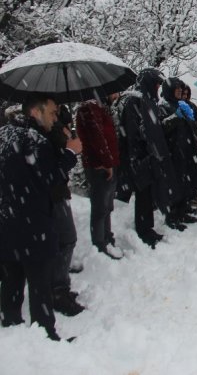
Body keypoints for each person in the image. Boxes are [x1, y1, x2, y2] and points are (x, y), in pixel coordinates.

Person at [0, 94, 81, 341]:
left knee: (12, 280)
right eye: (53, 112)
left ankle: (11, 326)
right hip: (33, 223)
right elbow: (50, 178)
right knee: (40, 283)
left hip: (7, 221)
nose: (55, 117)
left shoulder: (4, 136)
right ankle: (45, 336)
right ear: (35, 112)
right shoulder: (35, 140)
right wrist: (70, 153)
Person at [113, 68, 178, 248]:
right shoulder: (135, 101)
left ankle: (147, 227)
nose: (158, 86)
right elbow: (135, 132)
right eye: (156, 83)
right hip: (140, 157)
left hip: (148, 155)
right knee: (143, 194)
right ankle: (143, 230)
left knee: (148, 193)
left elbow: (151, 127)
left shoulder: (147, 100)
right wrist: (144, 149)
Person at [45, 104, 86, 316]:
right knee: (65, 239)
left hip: (59, 190)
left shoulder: (56, 123)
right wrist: (68, 147)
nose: (54, 115)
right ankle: (57, 290)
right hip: (53, 194)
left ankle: (61, 286)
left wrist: (67, 136)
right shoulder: (42, 131)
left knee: (66, 240)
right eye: (51, 112)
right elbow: (52, 164)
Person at [76, 93, 124, 259]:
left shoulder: (100, 108)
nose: (116, 95)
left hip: (108, 163)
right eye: (113, 91)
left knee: (107, 206)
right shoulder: (89, 108)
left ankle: (107, 237)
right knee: (100, 207)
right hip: (100, 166)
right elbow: (97, 137)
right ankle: (100, 244)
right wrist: (107, 161)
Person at [157, 77, 197, 230]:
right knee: (175, 185)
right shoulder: (163, 107)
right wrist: (176, 116)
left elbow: (192, 127)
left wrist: (193, 123)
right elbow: (161, 129)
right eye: (176, 88)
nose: (179, 91)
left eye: (180, 88)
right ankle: (172, 217)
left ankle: (182, 211)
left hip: (186, 150)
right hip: (173, 152)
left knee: (185, 183)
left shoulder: (181, 104)